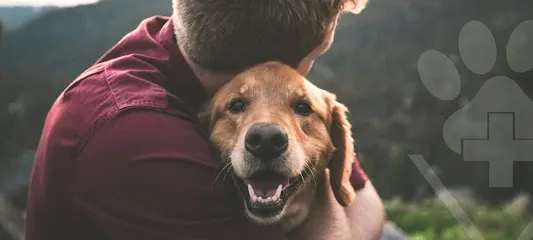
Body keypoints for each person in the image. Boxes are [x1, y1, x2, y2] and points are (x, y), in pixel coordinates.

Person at [25, 0, 385, 239]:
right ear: (305, 52)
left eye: (301, 107)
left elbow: (368, 201)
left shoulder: (183, 50)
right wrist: (319, 186)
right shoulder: (136, 138)